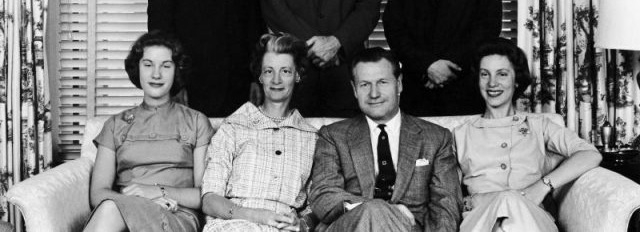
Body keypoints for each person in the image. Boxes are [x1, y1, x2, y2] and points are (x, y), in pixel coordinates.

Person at [453, 37, 602, 232]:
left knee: (512, 205)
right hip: (481, 220)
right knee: (507, 201)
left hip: (531, 217)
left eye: (502, 74)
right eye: (484, 74)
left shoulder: (538, 125)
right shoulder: (461, 133)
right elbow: (446, 193)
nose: (492, 83)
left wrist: (542, 186)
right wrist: (473, 201)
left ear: (516, 80)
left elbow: (590, 154)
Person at [309, 47, 462, 232]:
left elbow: (446, 205)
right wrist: (381, 210)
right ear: (354, 89)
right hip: (350, 225)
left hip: (410, 228)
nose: (374, 93)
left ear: (399, 84)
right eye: (365, 84)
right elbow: (324, 196)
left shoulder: (437, 138)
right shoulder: (333, 136)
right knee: (374, 210)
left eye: (382, 82)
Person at [84, 31, 215, 232]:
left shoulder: (196, 122)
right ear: (137, 68)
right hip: (123, 211)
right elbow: (98, 193)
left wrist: (157, 192)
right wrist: (139, 200)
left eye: (166, 65)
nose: (156, 74)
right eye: (148, 65)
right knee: (110, 208)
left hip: (175, 213)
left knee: (110, 210)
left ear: (176, 70)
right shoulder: (115, 124)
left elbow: (205, 195)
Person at [201, 33, 318, 232]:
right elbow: (210, 200)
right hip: (233, 225)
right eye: (269, 71)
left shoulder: (312, 138)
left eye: (286, 71)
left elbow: (316, 206)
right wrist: (257, 216)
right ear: (260, 76)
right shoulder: (233, 128)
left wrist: (302, 224)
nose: (276, 80)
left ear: (297, 75)